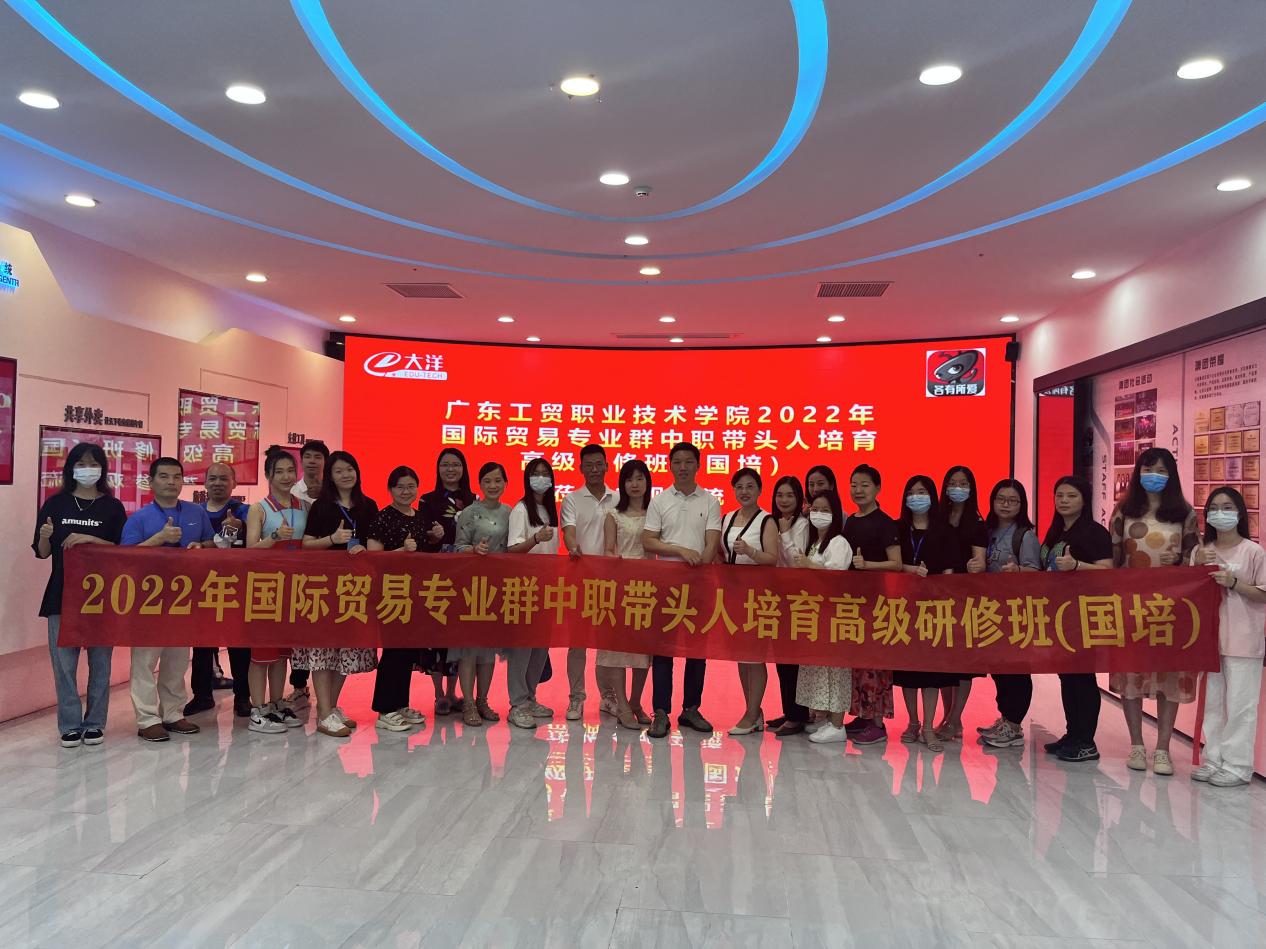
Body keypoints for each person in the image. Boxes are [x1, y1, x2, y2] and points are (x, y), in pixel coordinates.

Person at [1108, 447, 1200, 776]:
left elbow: (1192, 558)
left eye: (1161, 470)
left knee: (1168, 676)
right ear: (1138, 473)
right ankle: (1136, 744)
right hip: (1131, 606)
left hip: (1170, 608)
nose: (1154, 476)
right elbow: (1113, 559)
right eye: (1148, 470)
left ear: (1171, 475)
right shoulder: (1124, 511)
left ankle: (1163, 748)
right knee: (1131, 674)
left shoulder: (1185, 513)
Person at [32, 443, 127, 748]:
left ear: (103, 469)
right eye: (82, 463)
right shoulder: (55, 504)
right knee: (64, 666)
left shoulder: (113, 507)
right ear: (71, 468)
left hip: (101, 597)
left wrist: (91, 539)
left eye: (94, 463)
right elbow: (42, 553)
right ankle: (70, 724)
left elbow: (123, 551)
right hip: (62, 594)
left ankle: (95, 722)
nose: (88, 469)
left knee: (101, 664)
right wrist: (45, 538)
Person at [121, 456, 213, 742]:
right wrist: (158, 538)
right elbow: (125, 558)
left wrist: (201, 546)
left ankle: (173, 713)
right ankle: (147, 719)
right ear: (151, 482)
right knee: (145, 661)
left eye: (176, 476)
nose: (171, 482)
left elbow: (211, 543)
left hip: (184, 598)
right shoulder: (139, 518)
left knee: (177, 660)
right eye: (164, 476)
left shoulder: (196, 512)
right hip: (148, 600)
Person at [297, 451, 379, 738]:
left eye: (350, 469)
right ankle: (323, 713)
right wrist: (332, 539)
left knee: (346, 650)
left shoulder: (368, 506)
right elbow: (306, 545)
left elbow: (376, 545)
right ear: (330, 476)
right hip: (324, 588)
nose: (346, 475)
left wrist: (366, 550)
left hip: (355, 588)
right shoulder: (322, 507)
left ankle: (331, 707)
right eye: (339, 471)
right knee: (323, 649)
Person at [643, 442, 722, 739]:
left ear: (698, 465)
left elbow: (712, 542)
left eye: (689, 461)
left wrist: (701, 563)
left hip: (700, 584)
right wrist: (679, 550)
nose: (683, 467)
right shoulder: (660, 501)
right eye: (677, 461)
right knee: (663, 650)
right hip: (666, 585)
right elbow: (649, 541)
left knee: (696, 651)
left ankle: (691, 709)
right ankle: (661, 712)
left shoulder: (710, 501)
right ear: (670, 465)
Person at [1192, 487, 1266, 788]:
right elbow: (1186, 591)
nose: (1220, 513)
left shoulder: (1253, 551)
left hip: (1244, 640)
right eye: (1214, 508)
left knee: (1240, 706)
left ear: (1239, 513)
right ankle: (1213, 758)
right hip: (1209, 641)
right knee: (1212, 704)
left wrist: (1233, 582)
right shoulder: (1202, 550)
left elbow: (1263, 593)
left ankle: (1237, 766)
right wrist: (1197, 564)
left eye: (1227, 507)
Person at [1040, 476, 1113, 763]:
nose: (1064, 500)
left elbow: (1108, 571)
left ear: (1084, 500)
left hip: (1083, 614)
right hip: (1059, 615)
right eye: (1059, 495)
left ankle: (1086, 741)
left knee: (1082, 676)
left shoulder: (1095, 533)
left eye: (1071, 495)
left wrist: (1077, 566)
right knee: (1067, 676)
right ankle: (1073, 734)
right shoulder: (1056, 531)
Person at [244, 447, 308, 734]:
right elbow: (250, 550)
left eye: (290, 471)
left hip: (294, 588)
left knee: (282, 653)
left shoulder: (304, 506)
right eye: (279, 471)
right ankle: (257, 710)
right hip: (265, 588)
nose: (286, 476)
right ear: (268, 475)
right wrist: (273, 537)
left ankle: (277, 703)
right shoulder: (259, 509)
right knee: (261, 653)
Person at [892, 475, 958, 752]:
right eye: (911, 492)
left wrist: (941, 586)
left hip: (935, 609)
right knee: (908, 671)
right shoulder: (898, 528)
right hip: (904, 608)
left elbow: (951, 568)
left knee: (931, 672)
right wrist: (910, 571)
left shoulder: (945, 530)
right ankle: (913, 722)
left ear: (932, 496)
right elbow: (893, 564)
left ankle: (929, 726)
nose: (916, 497)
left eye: (921, 492)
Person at [367, 466, 433, 732]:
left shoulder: (420, 517)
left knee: (407, 651)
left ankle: (400, 703)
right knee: (393, 650)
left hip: (414, 593)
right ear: (390, 489)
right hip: (390, 592)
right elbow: (373, 558)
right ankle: (385, 709)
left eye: (410, 486)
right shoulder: (382, 518)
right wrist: (400, 550)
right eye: (400, 487)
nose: (406, 492)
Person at [841, 464, 901, 745]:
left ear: (878, 488)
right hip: (853, 602)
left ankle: (878, 724)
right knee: (858, 663)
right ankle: (863, 715)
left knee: (876, 664)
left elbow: (896, 563)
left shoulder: (885, 522)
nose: (858, 490)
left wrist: (868, 565)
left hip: (877, 603)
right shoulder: (851, 521)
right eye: (854, 484)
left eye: (865, 485)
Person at [979, 479, 1041, 750]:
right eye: (1001, 499)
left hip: (1016, 613)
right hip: (991, 613)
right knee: (998, 668)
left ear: (1021, 505)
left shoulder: (1025, 535)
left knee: (1016, 670)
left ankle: (1014, 725)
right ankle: (1005, 718)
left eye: (1013, 500)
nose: (1006, 505)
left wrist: (1017, 572)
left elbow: (1036, 572)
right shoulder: (987, 531)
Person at [187, 462, 252, 719]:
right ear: (205, 483)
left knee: (239, 644)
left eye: (224, 479)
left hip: (236, 586)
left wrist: (234, 530)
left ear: (234, 483)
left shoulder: (246, 511)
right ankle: (202, 695)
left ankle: (243, 697)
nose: (218, 483)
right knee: (202, 644)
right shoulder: (194, 512)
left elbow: (249, 543)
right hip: (202, 587)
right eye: (212, 478)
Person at [561, 443, 621, 719]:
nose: (594, 469)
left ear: (607, 466)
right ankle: (576, 698)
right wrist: (572, 546)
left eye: (599, 464)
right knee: (578, 643)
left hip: (611, 581)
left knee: (608, 643)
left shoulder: (618, 498)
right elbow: (569, 531)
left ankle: (608, 697)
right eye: (589, 465)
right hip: (580, 579)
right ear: (581, 468)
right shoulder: (572, 499)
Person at [720, 467, 779, 735]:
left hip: (758, 596)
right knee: (742, 656)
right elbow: (722, 553)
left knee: (755, 656)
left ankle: (752, 713)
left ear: (759, 490)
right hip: (733, 595)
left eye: (750, 486)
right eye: (739, 487)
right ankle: (752, 710)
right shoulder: (727, 518)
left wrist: (751, 551)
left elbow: (772, 559)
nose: (744, 491)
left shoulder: (767, 520)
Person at [453, 461, 511, 727]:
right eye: (487, 481)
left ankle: (482, 700)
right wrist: (473, 550)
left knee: (488, 649)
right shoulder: (469, 512)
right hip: (471, 587)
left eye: (497, 480)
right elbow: (458, 547)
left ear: (505, 483)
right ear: (480, 484)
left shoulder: (510, 512)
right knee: (469, 648)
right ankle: (467, 703)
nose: (493, 485)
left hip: (497, 588)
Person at [792, 489, 853, 743]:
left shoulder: (839, 542)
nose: (819, 514)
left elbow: (835, 577)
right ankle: (827, 718)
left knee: (836, 669)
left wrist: (808, 565)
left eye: (826, 510)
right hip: (815, 614)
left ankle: (838, 724)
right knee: (820, 669)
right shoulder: (814, 542)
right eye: (815, 509)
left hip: (834, 615)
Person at [418, 448, 476, 714]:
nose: (450, 469)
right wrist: (433, 537)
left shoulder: (474, 500)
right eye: (445, 465)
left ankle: (454, 692)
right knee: (436, 633)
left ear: (463, 468)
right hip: (436, 576)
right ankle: (439, 694)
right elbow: (421, 536)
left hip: (465, 574)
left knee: (458, 634)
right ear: (438, 469)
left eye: (455, 464)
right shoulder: (427, 500)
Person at [505, 457, 560, 729]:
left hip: (547, 587)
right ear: (527, 478)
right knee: (522, 649)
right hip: (524, 587)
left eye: (545, 473)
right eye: (535, 473)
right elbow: (512, 550)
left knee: (540, 647)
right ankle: (517, 703)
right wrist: (536, 539)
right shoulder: (521, 509)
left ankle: (530, 696)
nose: (541, 477)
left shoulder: (549, 509)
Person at [934, 465, 988, 742]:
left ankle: (956, 718)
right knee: (944, 663)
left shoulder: (977, 523)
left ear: (971, 488)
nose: (957, 488)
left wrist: (976, 566)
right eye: (952, 483)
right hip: (939, 599)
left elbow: (980, 561)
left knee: (964, 663)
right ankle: (948, 717)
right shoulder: (938, 518)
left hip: (967, 600)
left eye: (963, 483)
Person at [600, 459, 654, 730]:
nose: (635, 484)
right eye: (629, 479)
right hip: (620, 588)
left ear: (647, 482)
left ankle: (635, 702)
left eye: (640, 478)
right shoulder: (613, 514)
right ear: (622, 484)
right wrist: (618, 563)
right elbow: (608, 549)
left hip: (648, 589)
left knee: (643, 651)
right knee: (617, 651)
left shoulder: (654, 514)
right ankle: (621, 705)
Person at [287, 439, 329, 703]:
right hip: (299, 567)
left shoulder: (333, 490)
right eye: (308, 456)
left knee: (324, 629)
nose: (312, 461)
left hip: (330, 568)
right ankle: (299, 684)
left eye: (318, 457)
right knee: (299, 628)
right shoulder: (292, 490)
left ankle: (327, 690)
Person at [769, 475, 811, 736]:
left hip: (798, 599)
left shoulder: (803, 525)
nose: (784, 500)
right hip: (776, 598)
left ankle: (798, 716)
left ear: (799, 499)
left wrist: (785, 533)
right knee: (781, 659)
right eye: (780, 495)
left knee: (794, 660)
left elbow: (798, 560)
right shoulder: (772, 522)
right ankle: (789, 711)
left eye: (790, 495)